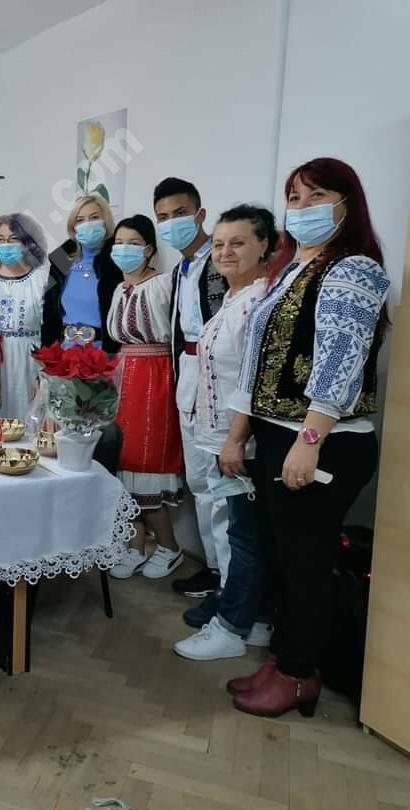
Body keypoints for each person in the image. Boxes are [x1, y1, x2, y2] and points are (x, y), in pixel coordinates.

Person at [222, 158, 389, 718]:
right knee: (282, 556)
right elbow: (256, 363)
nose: (302, 208)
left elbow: (342, 358)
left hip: (323, 440)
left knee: (307, 562)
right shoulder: (290, 270)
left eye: (316, 196)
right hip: (278, 434)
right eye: (294, 198)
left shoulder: (354, 268)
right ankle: (283, 659)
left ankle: (299, 675)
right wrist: (238, 435)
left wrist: (311, 438)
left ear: (346, 205)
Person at [173, 205, 277, 661]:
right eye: (218, 244)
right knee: (244, 535)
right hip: (221, 435)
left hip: (241, 441)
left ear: (265, 246)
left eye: (238, 243)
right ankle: (256, 620)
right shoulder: (235, 299)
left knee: (244, 539)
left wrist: (235, 439)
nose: (225, 252)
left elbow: (253, 381)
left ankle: (231, 626)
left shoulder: (258, 302)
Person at [154, 178, 230, 602]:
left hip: (217, 377)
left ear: (200, 215)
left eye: (180, 214)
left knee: (221, 486)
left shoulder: (220, 261)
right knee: (199, 481)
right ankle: (215, 568)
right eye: (163, 217)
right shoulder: (180, 270)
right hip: (187, 374)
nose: (171, 223)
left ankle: (231, 582)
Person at [104, 215, 184, 580]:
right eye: (119, 242)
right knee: (124, 462)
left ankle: (169, 546)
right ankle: (135, 546)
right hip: (124, 376)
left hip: (155, 377)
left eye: (133, 243)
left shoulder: (164, 284)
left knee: (146, 462)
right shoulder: (119, 289)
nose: (124, 249)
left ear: (149, 249)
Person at [0, 213, 50, 420]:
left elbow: (52, 329)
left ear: (27, 242)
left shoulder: (43, 280)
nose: (6, 245)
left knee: (31, 421)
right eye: (0, 240)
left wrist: (44, 375)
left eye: (13, 239)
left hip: (31, 363)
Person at [42, 195, 122, 352]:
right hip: (65, 353)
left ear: (106, 221)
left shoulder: (116, 263)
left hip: (103, 355)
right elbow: (49, 314)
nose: (87, 224)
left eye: (94, 217)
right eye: (80, 220)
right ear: (73, 227)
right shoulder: (60, 262)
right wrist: (47, 354)